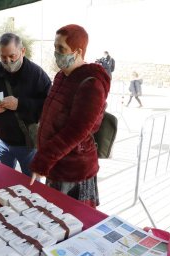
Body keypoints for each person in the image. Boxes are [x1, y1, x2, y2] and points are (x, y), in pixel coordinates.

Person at [29, 24, 110, 208]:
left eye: (61, 49)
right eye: (55, 48)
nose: (56, 53)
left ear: (77, 51)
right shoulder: (62, 76)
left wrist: (42, 160)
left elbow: (75, 132)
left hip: (74, 171)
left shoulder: (91, 84)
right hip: (56, 165)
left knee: (73, 222)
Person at [0, 32, 51, 176]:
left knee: (31, 189)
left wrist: (20, 104)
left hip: (27, 145)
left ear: (22, 51)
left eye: (12, 56)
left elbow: (48, 107)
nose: (8, 62)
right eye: (3, 57)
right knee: (5, 182)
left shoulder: (37, 75)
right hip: (1, 141)